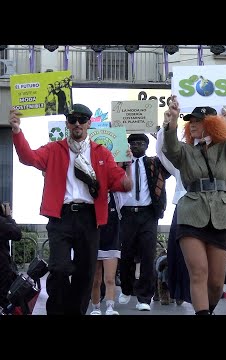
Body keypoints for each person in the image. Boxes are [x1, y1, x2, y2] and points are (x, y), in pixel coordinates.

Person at [9, 103, 133, 315]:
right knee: (59, 269)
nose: (77, 124)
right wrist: (17, 131)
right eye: (72, 119)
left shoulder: (101, 152)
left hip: (89, 217)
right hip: (61, 216)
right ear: (67, 123)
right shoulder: (54, 149)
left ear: (89, 123)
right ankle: (58, 310)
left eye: (82, 120)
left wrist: (128, 165)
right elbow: (28, 157)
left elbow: (122, 184)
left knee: (85, 273)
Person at [162, 90, 226, 315]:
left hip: (220, 214)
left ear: (210, 124)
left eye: (197, 121)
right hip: (191, 213)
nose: (191, 124)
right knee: (198, 272)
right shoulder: (185, 151)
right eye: (189, 121)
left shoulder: (225, 150)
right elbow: (170, 147)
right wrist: (172, 119)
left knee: (216, 283)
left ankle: (208, 310)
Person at [118, 133, 170, 311]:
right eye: (132, 143)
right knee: (125, 254)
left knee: (148, 256)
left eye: (140, 143)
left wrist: (160, 137)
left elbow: (170, 160)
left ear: (147, 146)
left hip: (148, 214)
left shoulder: (154, 163)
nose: (136, 146)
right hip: (126, 214)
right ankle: (126, 288)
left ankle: (144, 298)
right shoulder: (121, 163)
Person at [155, 125, 191, 305]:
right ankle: (177, 290)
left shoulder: (217, 154)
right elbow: (163, 151)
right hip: (184, 208)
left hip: (211, 211)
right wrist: (166, 125)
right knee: (178, 255)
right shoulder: (181, 159)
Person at [90, 190, 131, 315]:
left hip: (112, 242)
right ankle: (96, 308)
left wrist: (126, 169)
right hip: (95, 241)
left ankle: (110, 308)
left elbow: (127, 184)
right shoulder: (91, 195)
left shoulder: (117, 196)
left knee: (110, 278)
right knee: (96, 279)